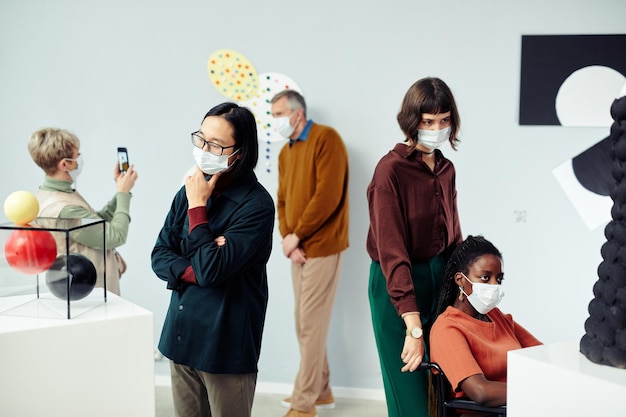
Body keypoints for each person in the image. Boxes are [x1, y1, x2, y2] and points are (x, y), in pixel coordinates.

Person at [152, 102, 275, 417]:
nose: (204, 149)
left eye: (216, 145)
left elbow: (211, 268)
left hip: (225, 346)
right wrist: (198, 268)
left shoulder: (257, 205)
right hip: (181, 337)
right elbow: (160, 255)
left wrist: (197, 211)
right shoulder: (189, 189)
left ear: (240, 151)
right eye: (201, 139)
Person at [366, 77, 463, 417]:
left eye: (444, 120)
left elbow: (454, 240)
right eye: (428, 121)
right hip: (396, 284)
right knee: (411, 397)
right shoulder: (389, 172)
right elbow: (393, 253)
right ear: (411, 121)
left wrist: (464, 293)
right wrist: (413, 325)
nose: (437, 129)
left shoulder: (446, 169)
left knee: (442, 391)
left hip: (439, 278)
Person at [270, 89, 349, 417]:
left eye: (277, 115)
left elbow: (327, 196)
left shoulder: (326, 139)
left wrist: (298, 235)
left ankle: (303, 405)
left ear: (296, 114)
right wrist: (289, 237)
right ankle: (322, 390)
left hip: (323, 246)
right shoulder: (286, 152)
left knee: (310, 324)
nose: (274, 122)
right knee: (304, 322)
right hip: (298, 249)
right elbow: (283, 199)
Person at [429, 235, 542, 408]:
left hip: (522, 407)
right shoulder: (447, 328)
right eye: (485, 277)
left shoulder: (495, 315)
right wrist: (536, 390)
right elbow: (480, 392)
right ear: (460, 280)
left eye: (499, 279)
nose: (494, 285)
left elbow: (542, 354)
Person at [27, 127, 138, 295]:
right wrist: (123, 193)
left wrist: (121, 192)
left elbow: (94, 223)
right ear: (64, 164)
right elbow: (115, 236)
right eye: (76, 156)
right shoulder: (65, 209)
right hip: (88, 292)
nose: (80, 160)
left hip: (78, 287)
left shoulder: (51, 194)